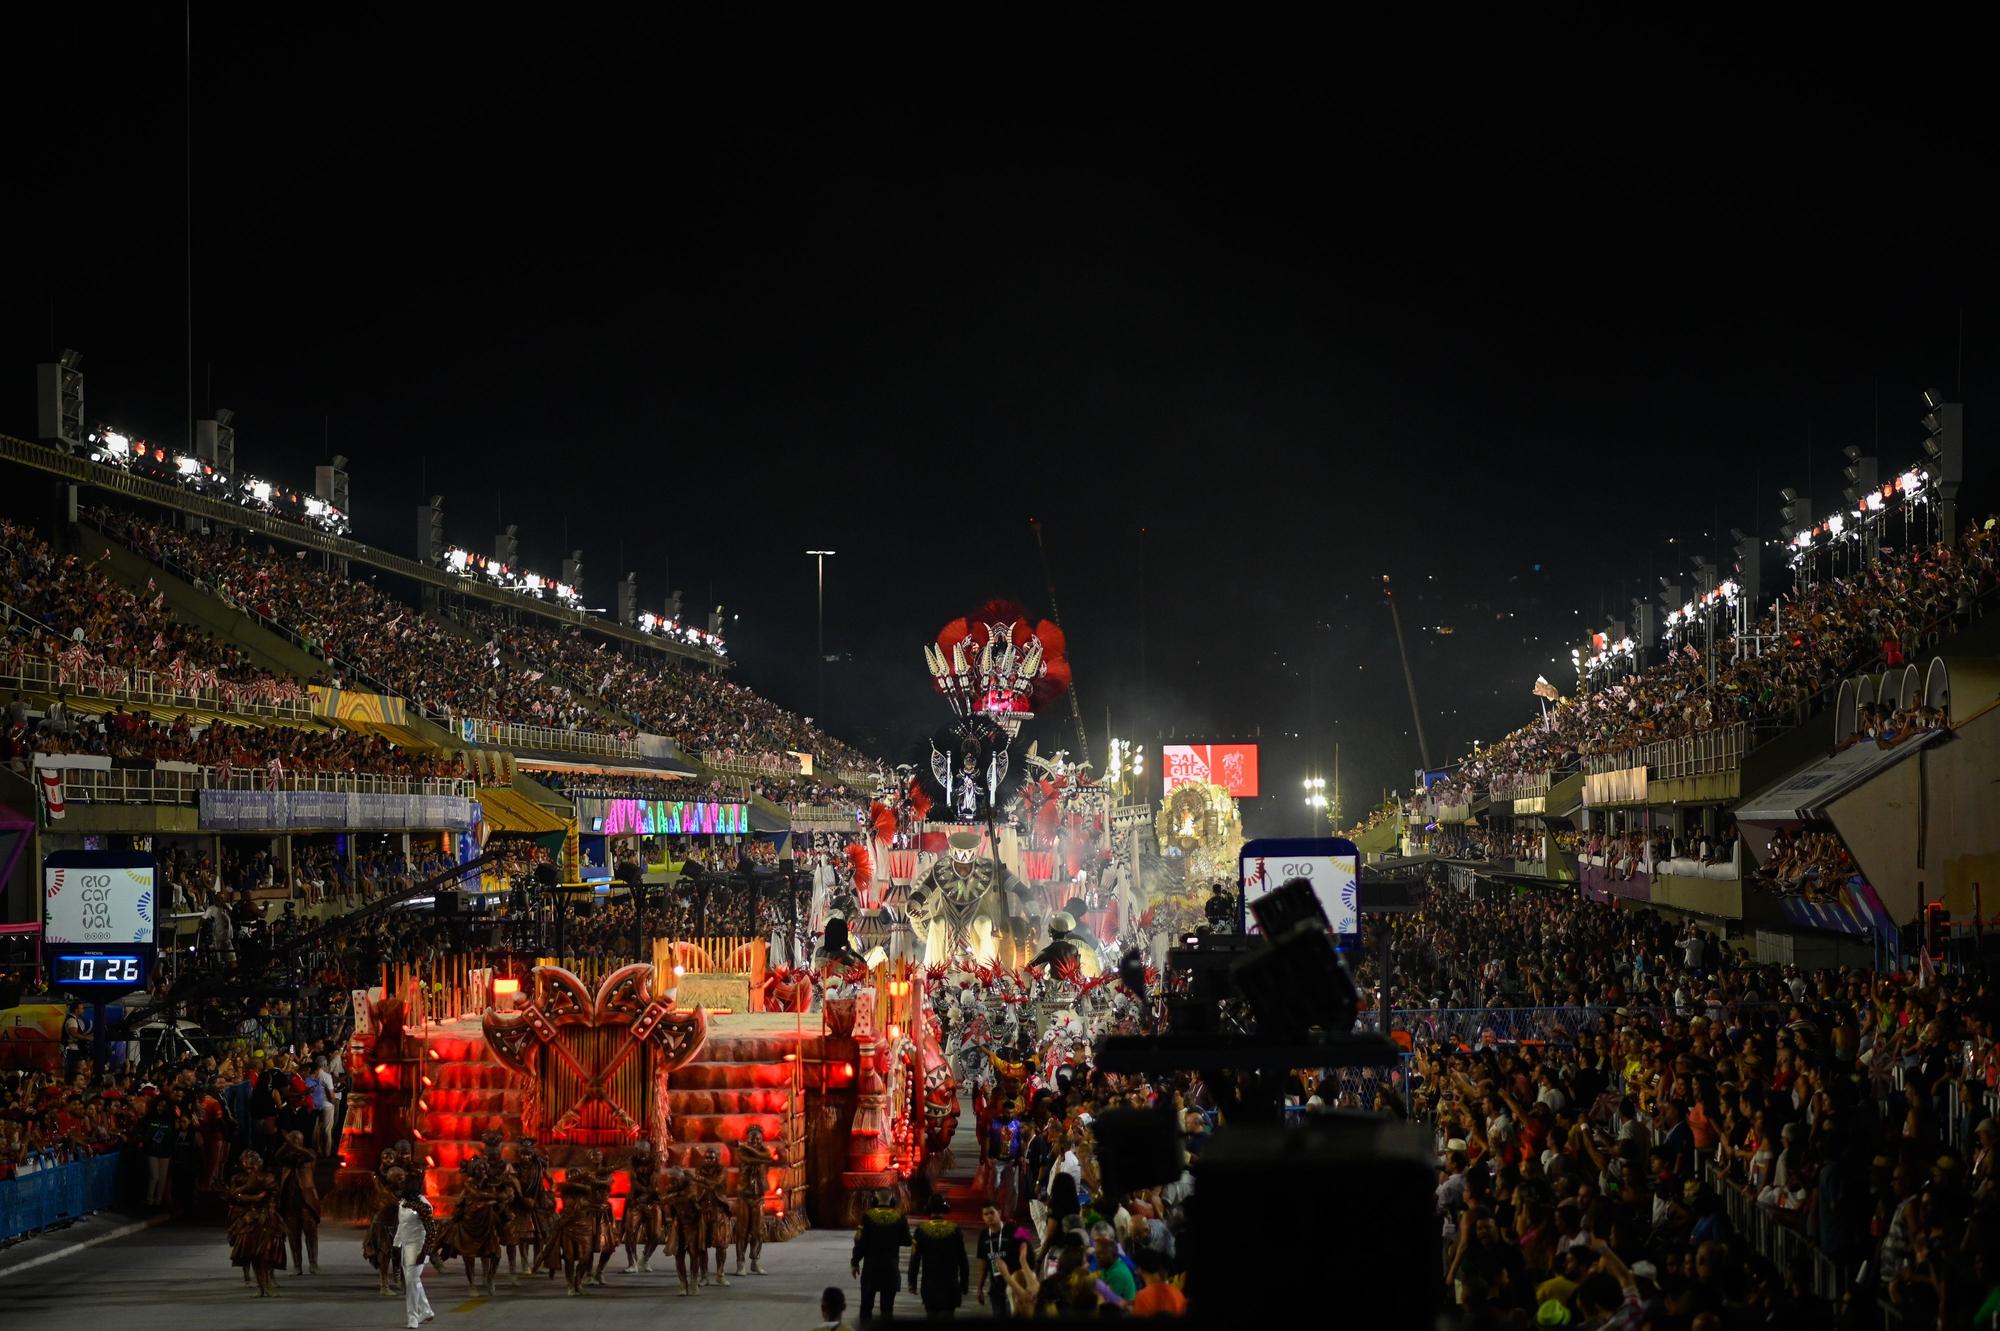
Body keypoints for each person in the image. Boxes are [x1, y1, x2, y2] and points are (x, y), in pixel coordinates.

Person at [852, 1187, 911, 1320]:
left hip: (871, 1270)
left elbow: (861, 1243)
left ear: (874, 1200)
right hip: (890, 1270)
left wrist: (854, 1262)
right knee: (887, 1310)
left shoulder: (867, 1217)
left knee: (866, 1308)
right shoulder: (900, 1217)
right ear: (893, 1201)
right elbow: (907, 1241)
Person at [909, 1194, 970, 1319]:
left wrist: (912, 1283)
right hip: (950, 1285)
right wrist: (964, 1284)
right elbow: (963, 1260)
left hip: (929, 1285)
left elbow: (914, 1260)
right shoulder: (955, 1230)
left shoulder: (921, 1230)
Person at [734, 1122, 781, 1275]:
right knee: (742, 1231)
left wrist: (744, 1145)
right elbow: (750, 1160)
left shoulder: (763, 1152)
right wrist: (745, 1148)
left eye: (757, 1139)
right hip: (744, 1196)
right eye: (751, 1140)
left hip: (758, 1196)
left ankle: (755, 1260)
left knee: (758, 1231)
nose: (754, 1142)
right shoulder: (741, 1153)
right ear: (747, 1140)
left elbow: (765, 1157)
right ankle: (740, 1263)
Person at [397, 1182, 436, 1329]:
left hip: (417, 1248)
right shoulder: (402, 1203)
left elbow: (431, 1232)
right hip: (405, 1247)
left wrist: (424, 1252)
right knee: (413, 1281)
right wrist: (396, 1245)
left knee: (410, 1282)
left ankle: (412, 1317)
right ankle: (426, 1310)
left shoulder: (424, 1208)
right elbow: (401, 1226)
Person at [975, 1204, 1013, 1313]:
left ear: (999, 1213)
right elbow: (983, 1264)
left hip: (1014, 1286)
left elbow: (1027, 1238)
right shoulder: (983, 1235)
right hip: (996, 1287)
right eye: (985, 1214)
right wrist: (979, 1289)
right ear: (983, 1217)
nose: (989, 1216)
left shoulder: (1012, 1229)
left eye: (992, 1212)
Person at [1130, 1246, 1187, 1316]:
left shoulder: (1142, 1297)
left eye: (1135, 1268)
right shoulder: (1177, 1292)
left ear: (1139, 1269)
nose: (1135, 1272)